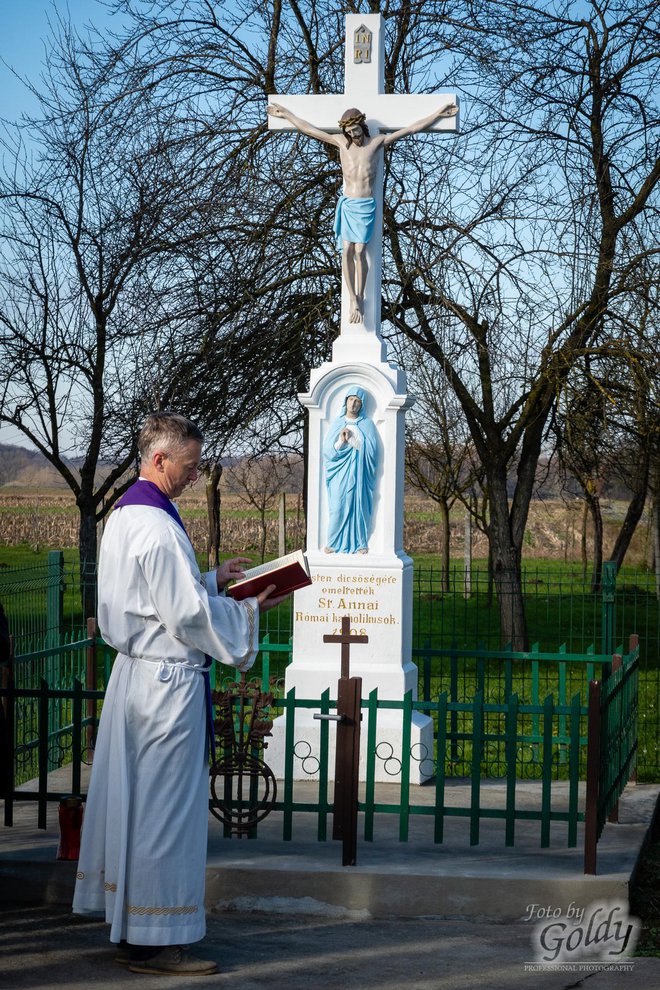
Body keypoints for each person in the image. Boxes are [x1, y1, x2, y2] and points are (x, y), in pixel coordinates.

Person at [72, 413, 288, 977]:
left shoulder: (127, 513)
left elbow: (152, 596)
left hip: (138, 677)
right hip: (165, 686)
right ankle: (155, 938)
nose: (194, 476)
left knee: (141, 807)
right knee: (164, 814)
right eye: (189, 466)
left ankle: (133, 928)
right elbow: (185, 615)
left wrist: (213, 579)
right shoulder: (159, 527)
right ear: (160, 459)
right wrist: (245, 609)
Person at [267, 100, 458, 323]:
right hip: (348, 204)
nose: (353, 135)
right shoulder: (340, 143)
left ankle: (360, 294)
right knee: (346, 251)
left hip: (366, 206)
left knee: (359, 252)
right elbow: (309, 129)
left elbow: (411, 128)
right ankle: (354, 299)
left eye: (355, 130)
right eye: (349, 132)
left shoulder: (376, 143)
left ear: (362, 126)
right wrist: (286, 114)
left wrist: (438, 113)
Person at [323, 387, 378, 554]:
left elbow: (371, 451)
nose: (353, 404)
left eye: (357, 401)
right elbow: (328, 452)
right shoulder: (338, 423)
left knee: (358, 506)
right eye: (350, 399)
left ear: (362, 404)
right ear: (345, 401)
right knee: (337, 506)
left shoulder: (366, 424)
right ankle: (332, 542)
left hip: (359, 473)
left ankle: (360, 542)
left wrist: (353, 439)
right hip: (340, 473)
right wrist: (341, 440)